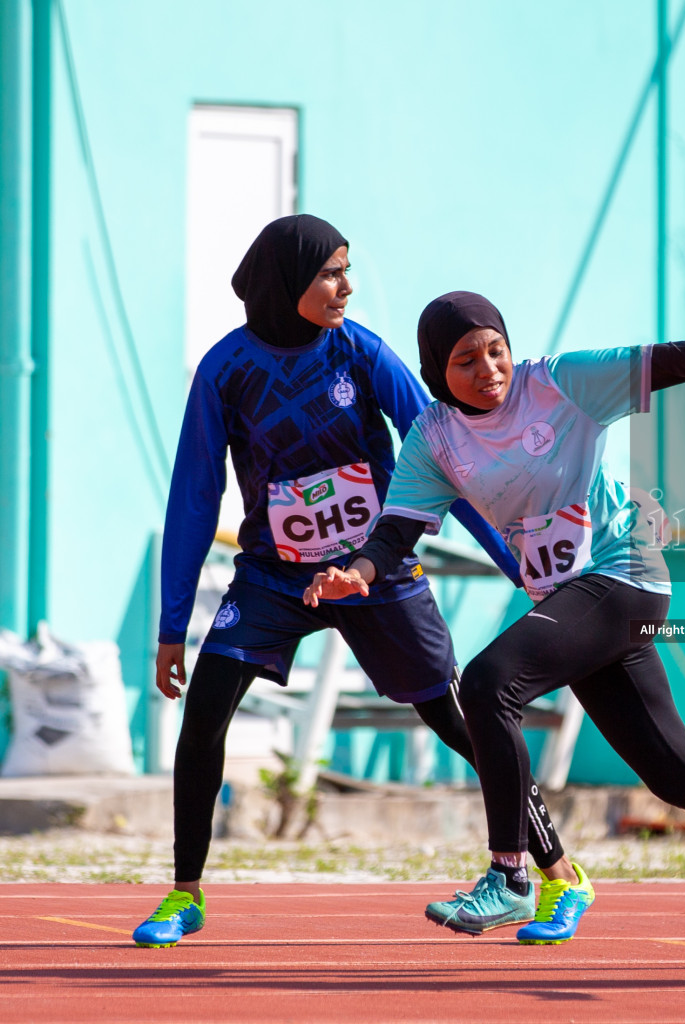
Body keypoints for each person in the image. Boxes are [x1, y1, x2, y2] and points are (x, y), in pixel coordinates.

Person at [303, 290, 685, 955]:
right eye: (465, 360)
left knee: (487, 684)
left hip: (622, 576)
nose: (488, 369)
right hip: (569, 601)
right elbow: (394, 533)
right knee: (676, 773)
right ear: (436, 373)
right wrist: (357, 573)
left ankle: (511, 874)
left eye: (495, 350)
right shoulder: (434, 437)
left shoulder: (560, 383)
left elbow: (674, 360)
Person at [134, 217, 585, 949]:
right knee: (206, 713)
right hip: (274, 577)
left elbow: (449, 457)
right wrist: (171, 626)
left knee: (459, 723)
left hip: (375, 570)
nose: (347, 286)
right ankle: (184, 895)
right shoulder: (225, 369)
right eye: (331, 274)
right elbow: (193, 495)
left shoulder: (362, 351)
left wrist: (521, 566)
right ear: (288, 282)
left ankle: (562, 875)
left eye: (348, 270)